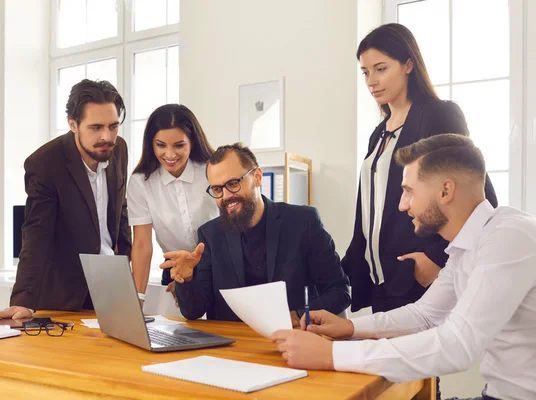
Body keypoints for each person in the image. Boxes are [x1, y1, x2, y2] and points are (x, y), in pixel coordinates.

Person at [271, 134, 536, 400]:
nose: (402, 204)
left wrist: (330, 355)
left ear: (445, 191)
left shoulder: (509, 236)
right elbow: (425, 316)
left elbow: (458, 346)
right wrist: (351, 329)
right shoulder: (466, 246)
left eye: (409, 191)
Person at [344, 23, 498, 314]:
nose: (371, 81)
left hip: (420, 276)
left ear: (408, 65)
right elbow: (369, 210)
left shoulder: (438, 115)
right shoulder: (378, 134)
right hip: (381, 278)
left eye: (381, 68)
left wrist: (437, 258)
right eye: (365, 72)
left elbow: (480, 196)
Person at [0, 79, 132, 322]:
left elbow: (120, 210)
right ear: (73, 124)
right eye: (96, 128)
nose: (107, 136)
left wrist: (128, 266)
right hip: (65, 293)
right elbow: (36, 233)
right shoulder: (45, 164)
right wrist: (23, 300)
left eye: (113, 126)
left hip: (111, 287)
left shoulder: (119, 149)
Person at [161, 143, 351, 326]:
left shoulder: (303, 222)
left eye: (233, 183)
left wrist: (300, 314)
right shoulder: (210, 235)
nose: (226, 196)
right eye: (218, 189)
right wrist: (187, 279)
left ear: (257, 177)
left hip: (294, 339)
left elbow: (340, 291)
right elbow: (193, 312)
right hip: (233, 347)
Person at [127, 104, 217, 306]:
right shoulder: (141, 182)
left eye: (179, 145)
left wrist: (192, 276)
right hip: (175, 272)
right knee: (179, 333)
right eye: (161, 145)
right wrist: (138, 299)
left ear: (192, 141)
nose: (169, 154)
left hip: (220, 266)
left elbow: (232, 227)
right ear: (150, 143)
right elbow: (142, 245)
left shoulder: (211, 171)